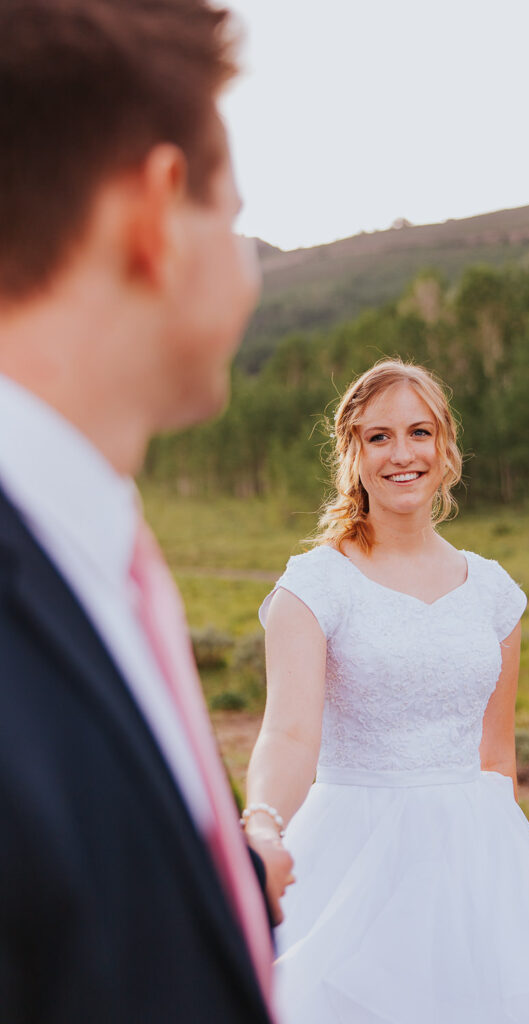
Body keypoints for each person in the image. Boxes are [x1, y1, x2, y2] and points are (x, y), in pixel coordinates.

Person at [0, 1, 292, 1021]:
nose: (248, 271)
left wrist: (219, 882)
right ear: (157, 214)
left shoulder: (87, 539)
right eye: (236, 217)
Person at [245, 359, 529, 1023]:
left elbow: (497, 757)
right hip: (351, 848)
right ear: (352, 453)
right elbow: (288, 734)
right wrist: (263, 823)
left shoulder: (493, 592)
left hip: (476, 849)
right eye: (378, 437)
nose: (401, 454)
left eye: (419, 432)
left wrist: (509, 886)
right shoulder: (314, 586)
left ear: (445, 447)